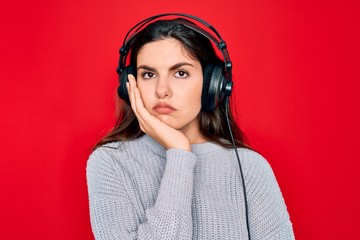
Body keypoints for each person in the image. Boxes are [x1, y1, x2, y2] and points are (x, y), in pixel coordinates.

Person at [86, 13, 294, 240]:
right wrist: (179, 155)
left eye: (180, 73)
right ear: (130, 85)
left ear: (212, 84)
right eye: (148, 74)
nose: (162, 90)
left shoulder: (250, 168)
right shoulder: (111, 162)